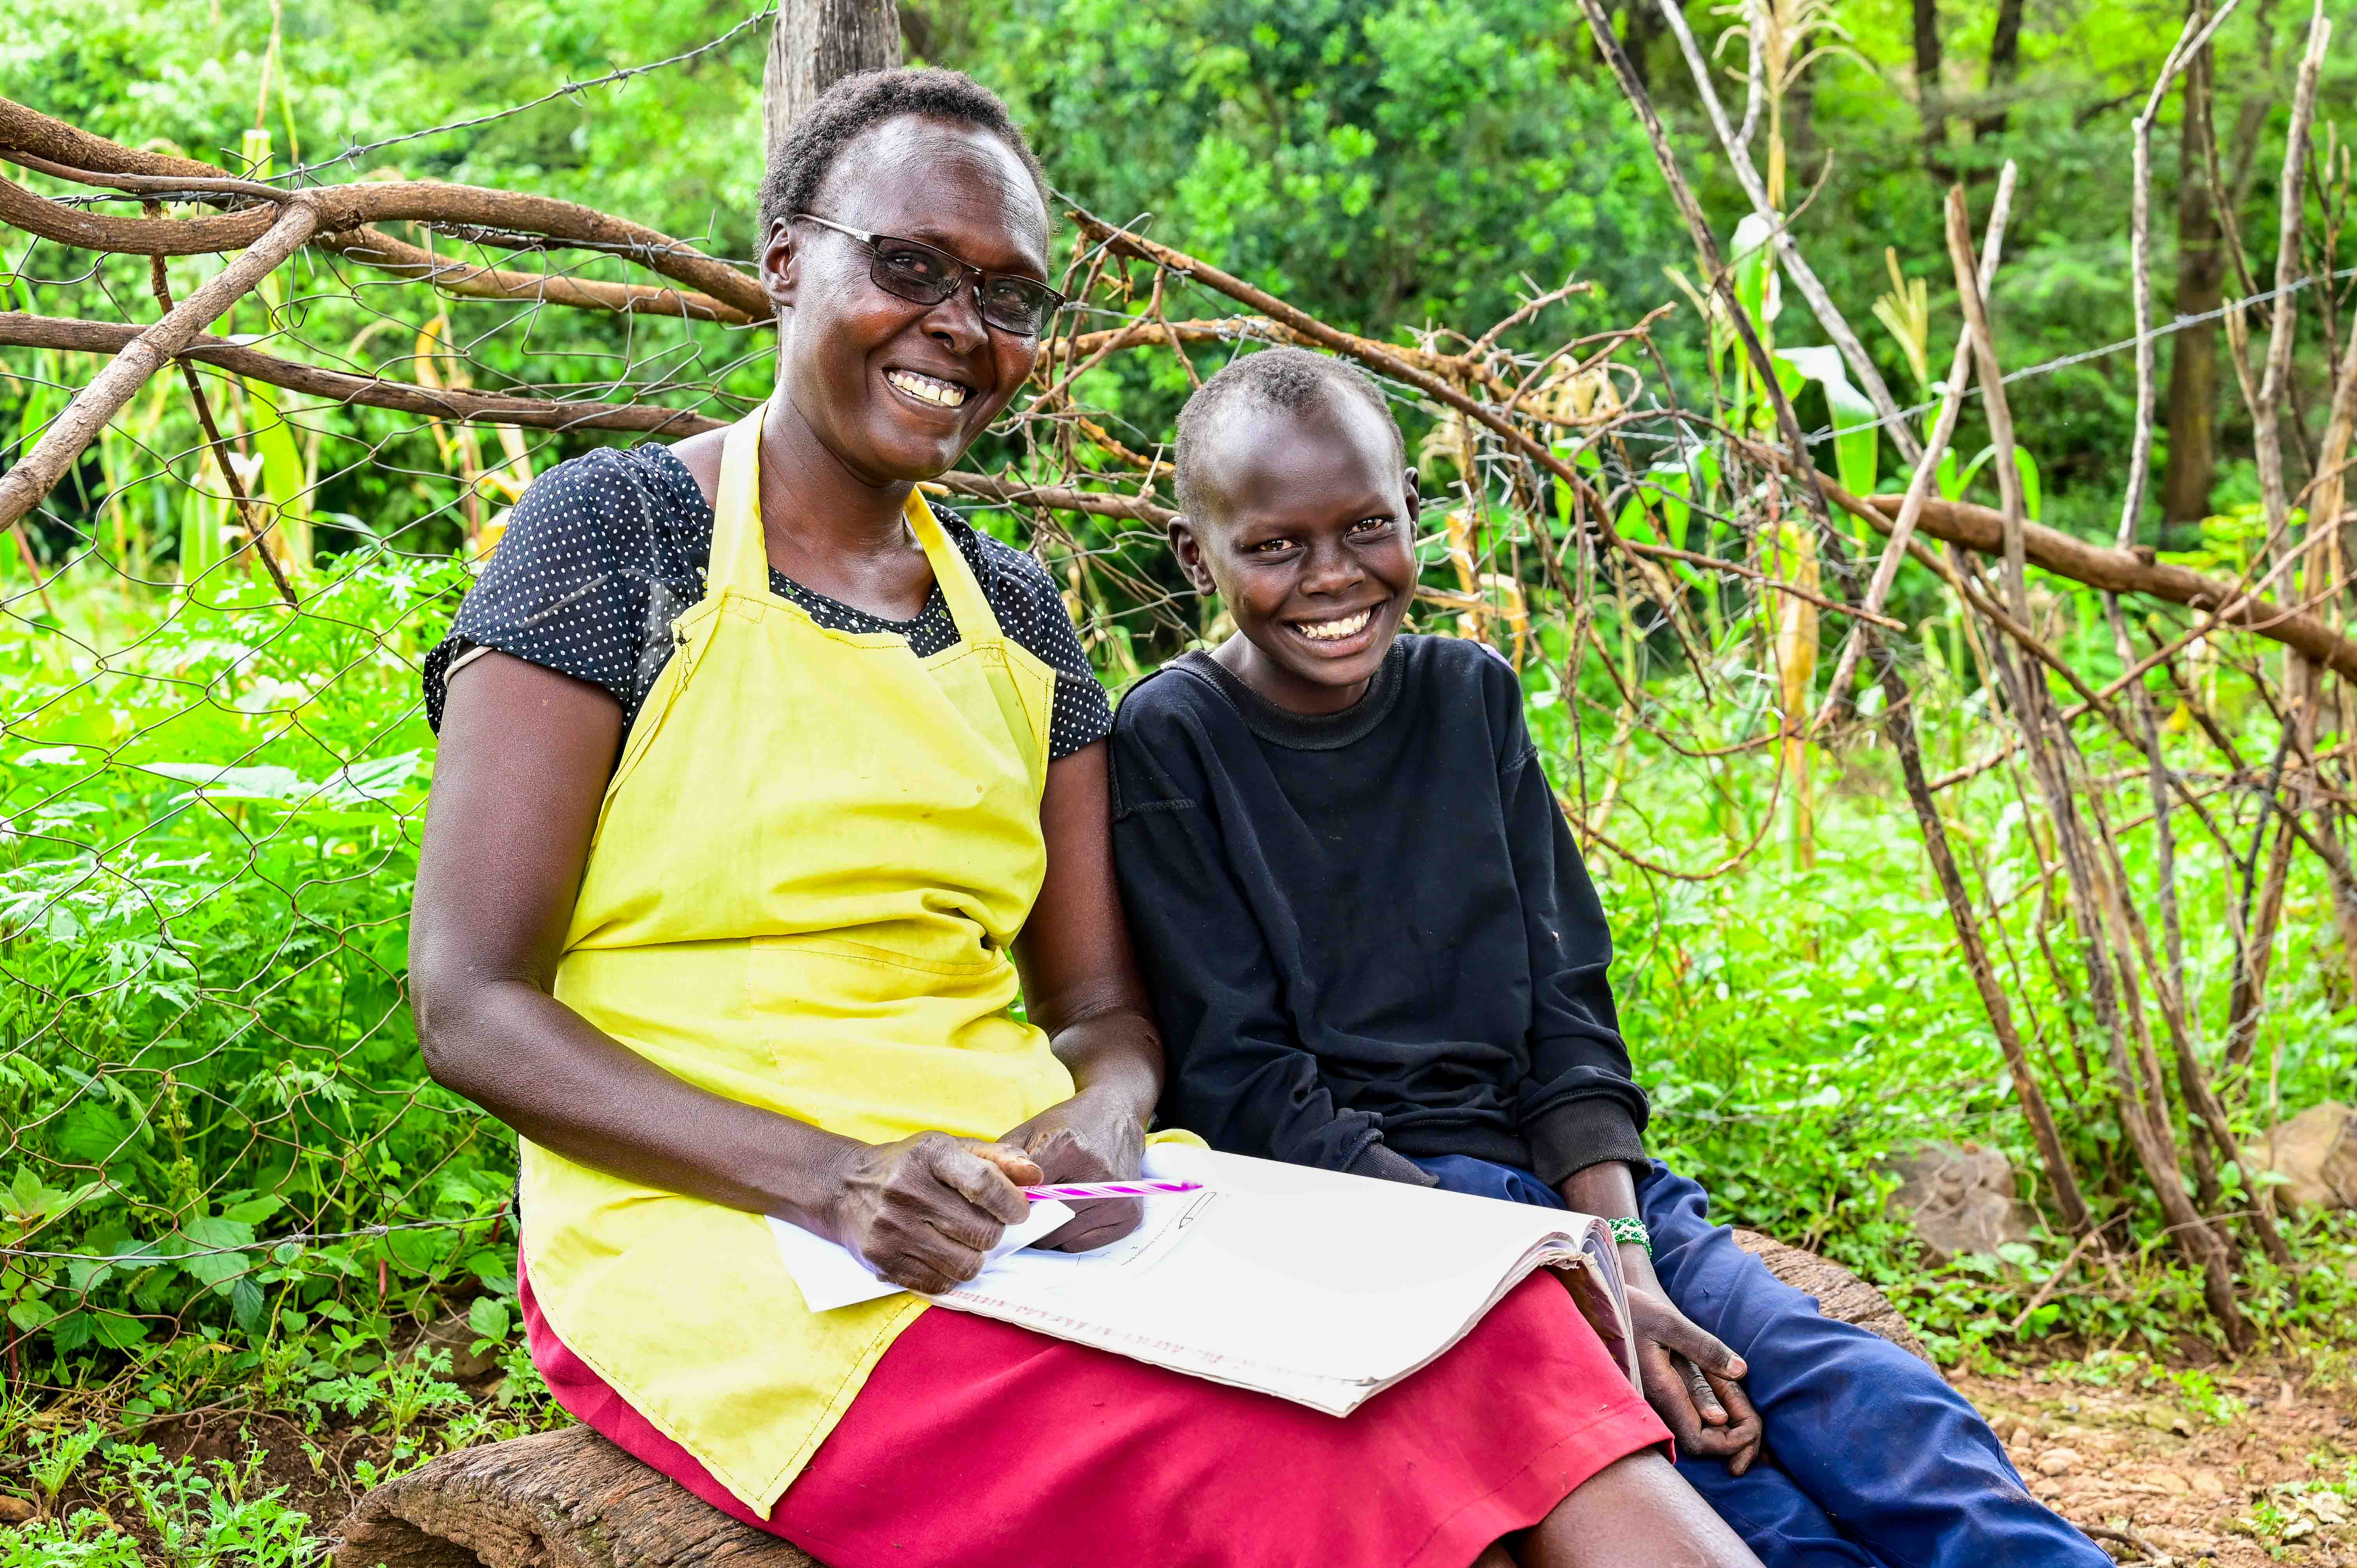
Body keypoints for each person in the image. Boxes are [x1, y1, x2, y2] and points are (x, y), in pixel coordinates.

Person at [411, 67, 1763, 1568]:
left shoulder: (1019, 611)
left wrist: (1104, 1119)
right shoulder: (617, 536)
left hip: (1019, 1210)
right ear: (786, 260)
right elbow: (470, 1002)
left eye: (1007, 293)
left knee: (1506, 1341)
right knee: (1276, 1460)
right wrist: (833, 1178)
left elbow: (1106, 1006)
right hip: (724, 1227)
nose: (959, 326)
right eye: (909, 265)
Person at [1109, 347, 2114, 1568]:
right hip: (1392, 1218)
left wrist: (1621, 1254)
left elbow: (1568, 1015)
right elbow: (1246, 1083)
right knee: (1721, 1481)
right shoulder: (1174, 738)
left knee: (1876, 1407)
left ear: (1413, 516)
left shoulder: (1469, 696)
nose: (1333, 577)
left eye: (1368, 527)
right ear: (1192, 553)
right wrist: (1556, 1284)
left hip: (1580, 1194)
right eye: (1275, 546)